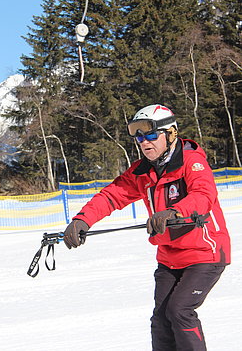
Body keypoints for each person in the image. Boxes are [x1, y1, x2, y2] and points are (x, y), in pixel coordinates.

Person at [63, 104, 231, 351]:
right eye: (138, 136)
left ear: (170, 134)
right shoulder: (142, 171)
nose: (144, 141)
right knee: (160, 319)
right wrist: (82, 220)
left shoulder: (192, 162)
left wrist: (174, 212)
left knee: (179, 310)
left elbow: (203, 195)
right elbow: (112, 196)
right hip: (168, 257)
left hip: (205, 253)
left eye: (151, 134)